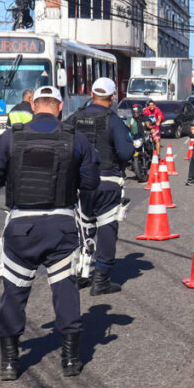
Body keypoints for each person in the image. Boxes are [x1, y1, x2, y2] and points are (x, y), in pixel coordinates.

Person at [0, 86, 99, 380]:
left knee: (14, 292)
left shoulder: (12, 136)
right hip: (61, 226)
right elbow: (90, 184)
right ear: (60, 107)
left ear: (34, 106)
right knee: (65, 290)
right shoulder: (76, 139)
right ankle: (71, 360)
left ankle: (10, 363)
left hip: (21, 227)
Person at [66, 78, 133, 295]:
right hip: (106, 181)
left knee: (83, 227)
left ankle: (80, 274)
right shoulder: (112, 120)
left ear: (92, 94)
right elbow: (125, 152)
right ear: (113, 97)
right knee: (107, 226)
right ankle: (101, 278)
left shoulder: (75, 118)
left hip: (79, 183)